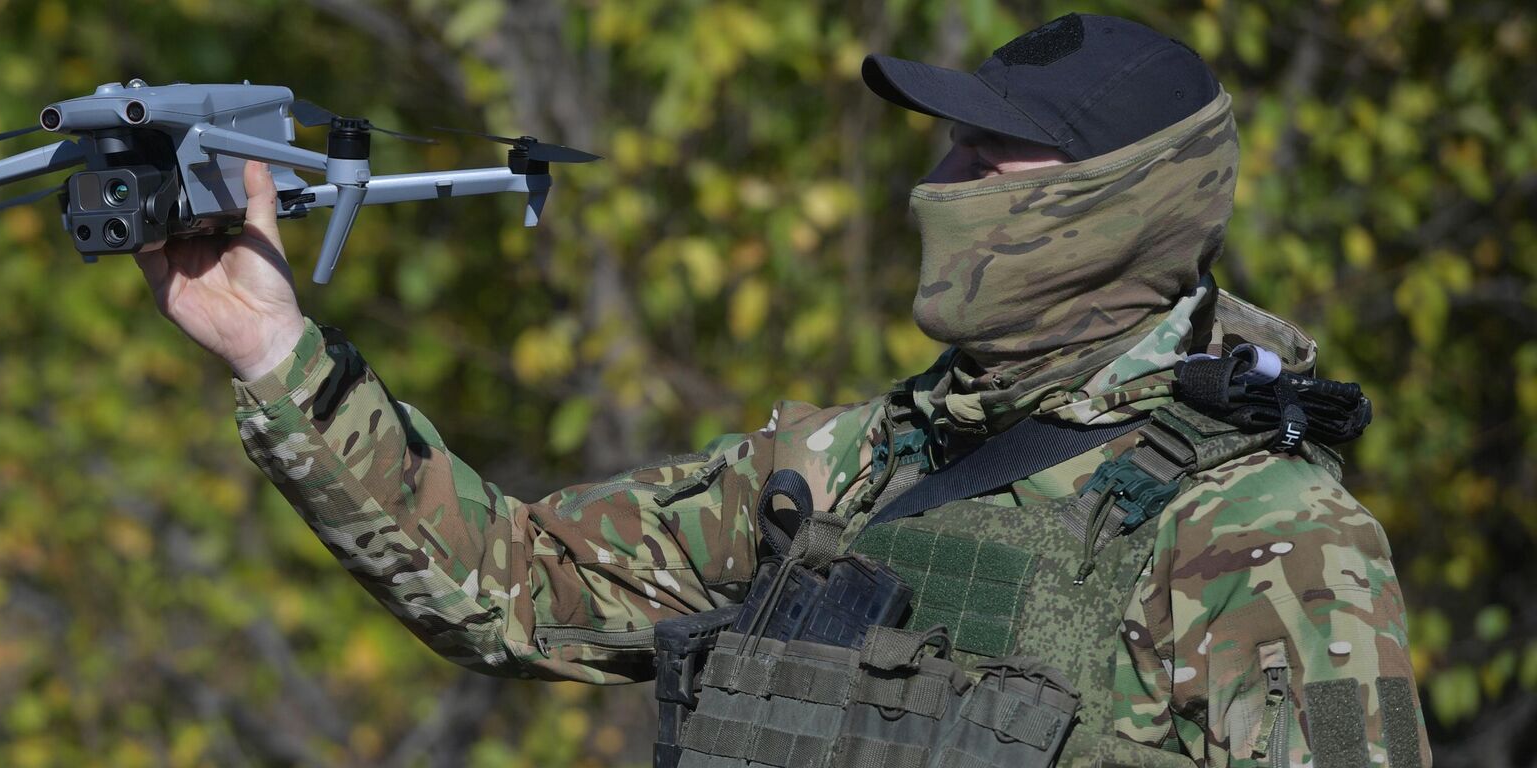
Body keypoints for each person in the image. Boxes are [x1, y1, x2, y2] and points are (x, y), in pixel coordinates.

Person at [134, 13, 1427, 767]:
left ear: (1115, 208)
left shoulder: (1267, 540)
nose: (948, 181)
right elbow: (514, 587)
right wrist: (278, 354)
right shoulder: (854, 465)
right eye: (950, 142)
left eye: (993, 157)